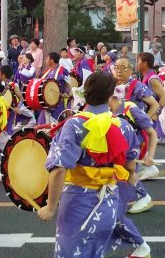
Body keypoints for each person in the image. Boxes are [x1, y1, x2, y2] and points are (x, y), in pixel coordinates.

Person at [37, 72, 132, 257]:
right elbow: (130, 163)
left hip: (78, 202)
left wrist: (50, 207)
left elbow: (59, 168)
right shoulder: (122, 125)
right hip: (109, 202)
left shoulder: (74, 125)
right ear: (110, 95)